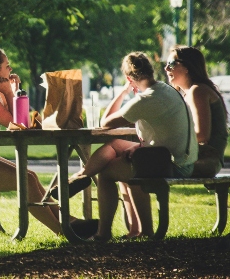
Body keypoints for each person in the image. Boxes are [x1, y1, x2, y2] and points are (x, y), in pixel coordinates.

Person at [0, 42, 97, 237]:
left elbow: (21, 120)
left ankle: (69, 222)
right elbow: (18, 125)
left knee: (30, 177)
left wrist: (11, 92)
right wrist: (9, 92)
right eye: (7, 65)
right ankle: (64, 232)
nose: (11, 69)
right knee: (26, 181)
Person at [48, 52, 198, 240]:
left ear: (129, 78)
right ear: (150, 70)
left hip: (174, 165)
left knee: (107, 173)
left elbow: (105, 122)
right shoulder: (166, 89)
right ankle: (82, 176)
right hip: (177, 158)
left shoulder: (146, 100)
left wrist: (124, 91)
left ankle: (104, 233)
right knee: (115, 144)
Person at [165, 46, 228, 178]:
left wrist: (168, 141)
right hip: (198, 157)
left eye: (171, 64)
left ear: (187, 67)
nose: (166, 69)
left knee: (144, 168)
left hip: (207, 160)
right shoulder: (190, 93)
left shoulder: (197, 91)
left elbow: (202, 136)